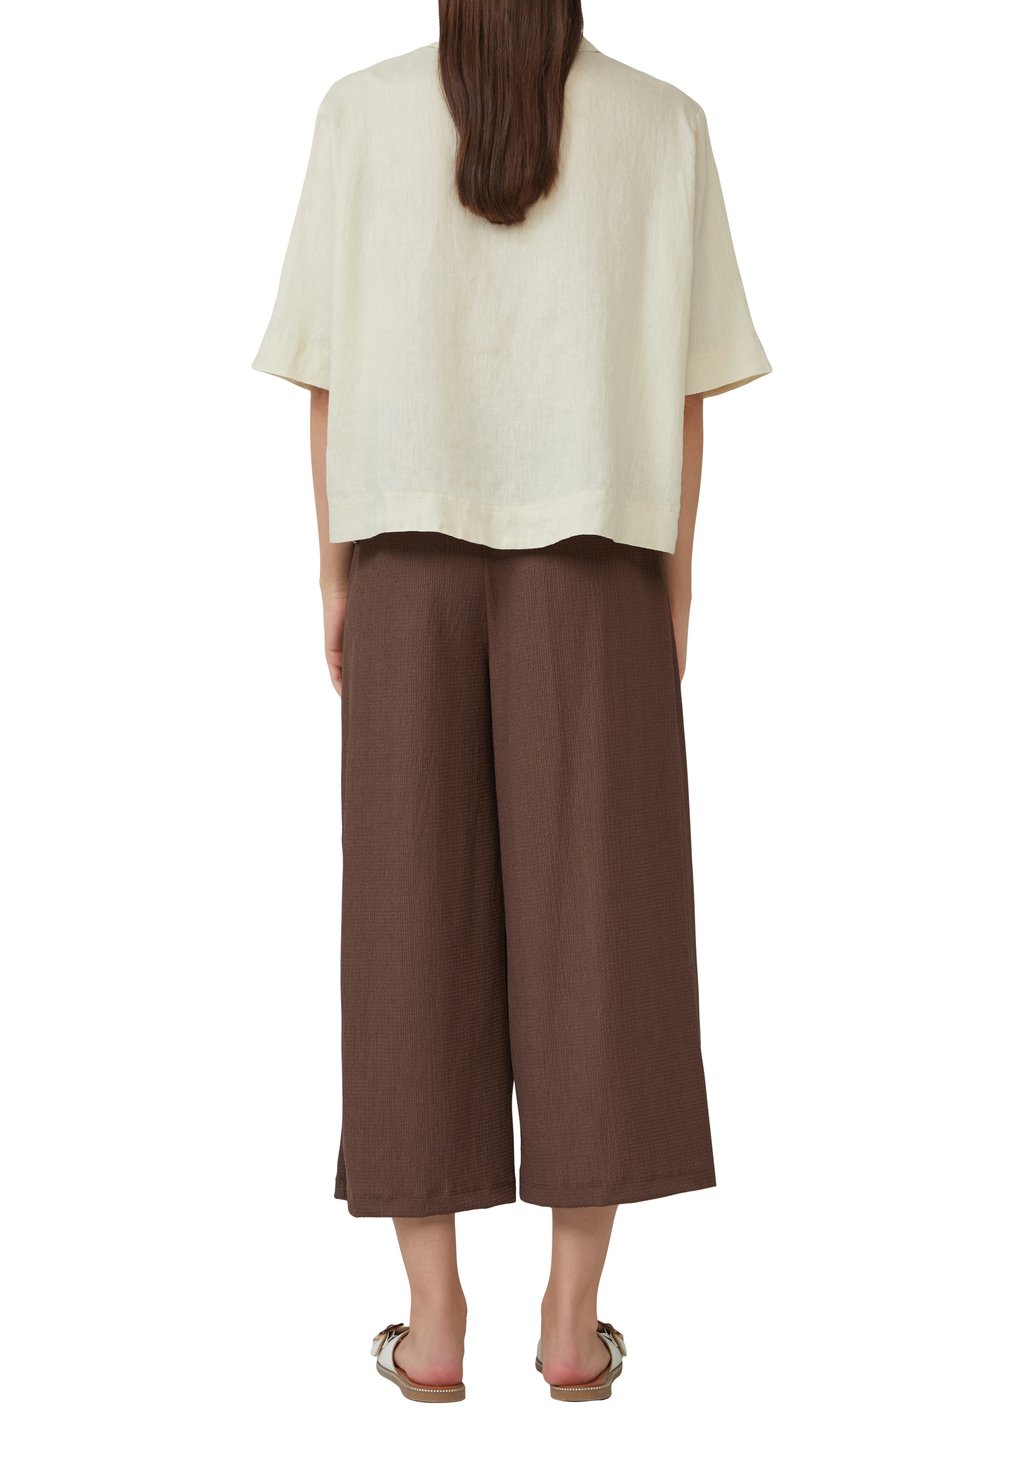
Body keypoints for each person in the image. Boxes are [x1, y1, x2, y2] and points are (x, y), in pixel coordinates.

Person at [253, 0, 771, 1404]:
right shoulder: (665, 126)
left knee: (405, 923)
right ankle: (571, 1321)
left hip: (404, 556)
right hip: (599, 565)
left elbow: (325, 378)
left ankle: (432, 1326)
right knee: (602, 931)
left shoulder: (359, 113)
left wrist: (334, 573)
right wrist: (675, 584)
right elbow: (685, 394)